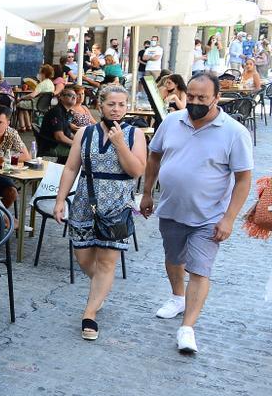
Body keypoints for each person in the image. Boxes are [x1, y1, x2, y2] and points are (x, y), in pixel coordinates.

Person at [140, 72, 253, 354]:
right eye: (190, 96)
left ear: (217, 97)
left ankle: (187, 328)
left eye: (202, 97)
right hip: (172, 208)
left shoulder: (234, 132)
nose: (195, 102)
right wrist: (146, 192)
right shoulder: (171, 122)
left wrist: (229, 218)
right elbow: (154, 157)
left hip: (209, 216)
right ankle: (178, 297)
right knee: (173, 258)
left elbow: (243, 179)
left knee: (199, 270)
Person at [53, 85, 147, 341]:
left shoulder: (134, 134)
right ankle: (101, 289)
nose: (116, 110)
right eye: (111, 105)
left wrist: (120, 145)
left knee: (107, 262)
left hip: (117, 205)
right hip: (85, 201)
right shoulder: (85, 133)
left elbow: (136, 170)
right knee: (84, 258)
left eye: (121, 105)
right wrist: (61, 199)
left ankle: (90, 313)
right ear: (100, 105)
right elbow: (72, 168)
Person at [36, 88, 78, 162]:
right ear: (61, 97)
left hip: (57, 144)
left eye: (75, 95)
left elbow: (68, 133)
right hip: (52, 146)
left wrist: (79, 141)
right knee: (81, 152)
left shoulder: (65, 112)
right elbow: (59, 137)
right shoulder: (57, 112)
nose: (74, 97)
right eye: (70, 95)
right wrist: (76, 144)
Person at [17, 64, 55, 132]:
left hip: (35, 104)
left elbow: (32, 95)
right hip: (45, 104)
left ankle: (23, 126)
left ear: (43, 73)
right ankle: (28, 125)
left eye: (40, 72)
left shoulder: (42, 84)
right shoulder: (51, 83)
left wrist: (22, 98)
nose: (39, 74)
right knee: (24, 106)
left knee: (20, 104)